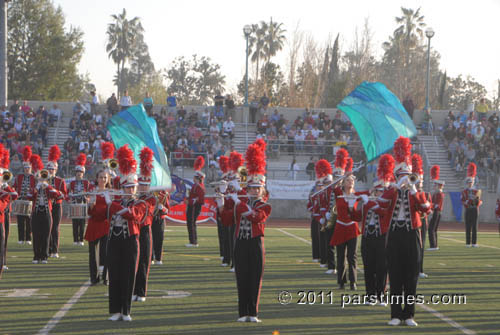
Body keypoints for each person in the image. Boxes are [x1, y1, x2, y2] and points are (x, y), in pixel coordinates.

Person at [379, 136, 431, 327]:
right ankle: (395, 315)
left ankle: (409, 315)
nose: (405, 178)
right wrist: (394, 187)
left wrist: (414, 189)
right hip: (395, 235)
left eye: (408, 175)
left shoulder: (415, 192)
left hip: (411, 235)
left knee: (411, 275)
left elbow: (426, 208)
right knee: (395, 273)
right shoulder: (391, 190)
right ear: (396, 175)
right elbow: (381, 205)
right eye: (402, 175)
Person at [220, 139, 271, 322]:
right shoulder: (239, 201)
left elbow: (255, 217)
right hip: (240, 242)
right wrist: (222, 202)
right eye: (251, 188)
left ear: (262, 189)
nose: (254, 191)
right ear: (247, 188)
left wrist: (237, 201)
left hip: (256, 243)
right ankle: (243, 313)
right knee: (242, 277)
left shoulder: (264, 205)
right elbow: (226, 220)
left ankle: (253, 312)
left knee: (255, 278)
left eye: (257, 188)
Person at [107, 144, 147, 322]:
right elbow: (99, 215)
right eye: (127, 188)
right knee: (114, 275)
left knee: (128, 274)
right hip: (114, 241)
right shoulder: (117, 200)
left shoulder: (140, 203)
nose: (130, 191)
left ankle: (126, 311)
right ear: (122, 188)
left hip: (130, 242)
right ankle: (115, 311)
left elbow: (133, 215)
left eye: (132, 188)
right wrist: (96, 201)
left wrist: (112, 204)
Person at [355, 154, 393, 306]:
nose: (378, 194)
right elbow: (356, 217)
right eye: (377, 192)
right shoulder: (367, 203)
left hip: (382, 238)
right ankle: (370, 296)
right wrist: (351, 205)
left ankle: (381, 295)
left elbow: (383, 213)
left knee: (382, 268)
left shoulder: (385, 204)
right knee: (369, 268)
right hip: (367, 237)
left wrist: (368, 202)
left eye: (381, 192)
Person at [329, 155, 361, 290]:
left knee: (352, 256)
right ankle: (341, 282)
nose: (351, 182)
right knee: (341, 256)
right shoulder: (338, 192)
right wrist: (342, 177)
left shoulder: (356, 194)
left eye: (352, 180)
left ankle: (353, 282)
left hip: (352, 228)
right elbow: (333, 187)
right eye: (348, 180)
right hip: (340, 228)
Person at [27, 155, 62, 264]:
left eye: (43, 176)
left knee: (46, 235)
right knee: (36, 234)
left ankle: (44, 256)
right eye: (40, 176)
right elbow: (28, 196)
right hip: (36, 212)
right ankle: (36, 256)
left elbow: (57, 195)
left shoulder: (48, 187)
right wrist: (37, 187)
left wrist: (47, 186)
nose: (41, 178)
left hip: (47, 212)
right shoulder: (34, 186)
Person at [133, 147, 156, 302]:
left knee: (143, 261)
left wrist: (135, 200)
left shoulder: (151, 199)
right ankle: (132, 289)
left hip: (145, 231)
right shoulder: (134, 197)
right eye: (140, 184)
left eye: (145, 185)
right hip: (133, 232)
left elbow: (143, 211)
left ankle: (141, 292)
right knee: (132, 261)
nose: (142, 187)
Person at [220, 151, 246, 272]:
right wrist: (223, 192)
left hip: (241, 210)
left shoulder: (244, 173)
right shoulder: (231, 175)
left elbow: (246, 191)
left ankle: (237, 264)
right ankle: (232, 262)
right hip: (231, 209)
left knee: (238, 240)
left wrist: (238, 188)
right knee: (230, 238)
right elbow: (228, 192)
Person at [86, 169, 111, 285]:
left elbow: (112, 209)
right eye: (101, 177)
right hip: (94, 225)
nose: (103, 179)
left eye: (105, 177)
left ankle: (106, 277)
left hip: (105, 224)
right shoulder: (92, 192)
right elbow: (89, 212)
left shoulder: (110, 193)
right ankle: (94, 278)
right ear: (97, 179)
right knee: (93, 253)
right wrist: (90, 206)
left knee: (106, 252)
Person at [412, 154, 431, 279]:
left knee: (422, 246)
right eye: (419, 180)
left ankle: (420, 269)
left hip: (422, 222)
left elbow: (428, 210)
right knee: (413, 247)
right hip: (413, 222)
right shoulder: (411, 194)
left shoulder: (425, 193)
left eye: (422, 180)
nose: (421, 183)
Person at [47, 145, 67, 258]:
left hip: (57, 206)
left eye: (52, 169)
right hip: (47, 206)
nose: (50, 171)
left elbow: (64, 194)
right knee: (47, 228)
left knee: (55, 228)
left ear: (56, 169)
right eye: (49, 169)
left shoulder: (60, 180)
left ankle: (54, 250)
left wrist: (56, 193)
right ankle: (48, 249)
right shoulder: (44, 180)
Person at [0, 145, 18, 273]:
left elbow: (15, 195)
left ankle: (3, 261)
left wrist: (5, 187)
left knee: (4, 238)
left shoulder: (5, 184)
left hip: (5, 212)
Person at [13, 146, 36, 245]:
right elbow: (14, 186)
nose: (27, 169)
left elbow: (36, 188)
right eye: (25, 168)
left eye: (28, 168)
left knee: (29, 221)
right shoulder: (19, 177)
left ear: (31, 168)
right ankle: (21, 238)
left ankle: (28, 238)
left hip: (30, 201)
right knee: (20, 221)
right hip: (20, 200)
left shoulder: (34, 177)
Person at [68, 154, 93, 246]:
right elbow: (68, 193)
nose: (79, 174)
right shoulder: (72, 183)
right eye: (77, 172)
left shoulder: (86, 182)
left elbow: (90, 193)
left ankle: (81, 240)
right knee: (75, 223)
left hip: (83, 204)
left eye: (80, 172)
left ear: (83, 173)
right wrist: (70, 197)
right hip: (75, 204)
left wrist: (87, 198)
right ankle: (75, 240)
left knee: (82, 223)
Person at [185, 156, 205, 247]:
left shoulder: (199, 186)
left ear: (197, 178)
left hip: (194, 206)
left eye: (194, 177)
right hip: (192, 205)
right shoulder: (196, 186)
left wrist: (191, 201)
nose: (193, 178)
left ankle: (193, 242)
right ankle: (192, 241)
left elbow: (200, 198)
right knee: (191, 223)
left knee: (191, 223)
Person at [461, 163, 482, 247]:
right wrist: (467, 202)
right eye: (469, 182)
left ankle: (474, 242)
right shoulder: (464, 191)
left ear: (473, 182)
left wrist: (479, 202)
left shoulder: (477, 191)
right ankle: (467, 243)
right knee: (468, 226)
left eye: (471, 182)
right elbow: (462, 200)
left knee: (474, 226)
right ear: (467, 182)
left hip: (475, 209)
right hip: (468, 209)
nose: (470, 183)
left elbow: (479, 200)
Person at [428, 165, 445, 250]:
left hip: (437, 212)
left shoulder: (439, 194)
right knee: (434, 229)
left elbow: (436, 205)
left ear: (439, 186)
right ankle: (435, 245)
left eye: (435, 185)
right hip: (437, 212)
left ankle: (433, 245)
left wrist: (429, 205)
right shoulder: (436, 193)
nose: (434, 186)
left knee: (431, 229)